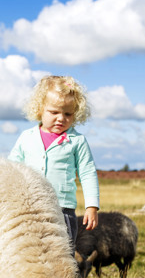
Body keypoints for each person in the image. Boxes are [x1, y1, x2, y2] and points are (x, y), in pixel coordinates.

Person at [8, 75, 99, 247]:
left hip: (62, 210)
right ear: (40, 109)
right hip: (29, 208)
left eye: (68, 114)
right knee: (30, 252)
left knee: (63, 255)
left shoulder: (77, 141)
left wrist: (92, 206)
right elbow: (11, 168)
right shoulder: (26, 138)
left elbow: (87, 173)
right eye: (54, 112)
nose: (61, 118)